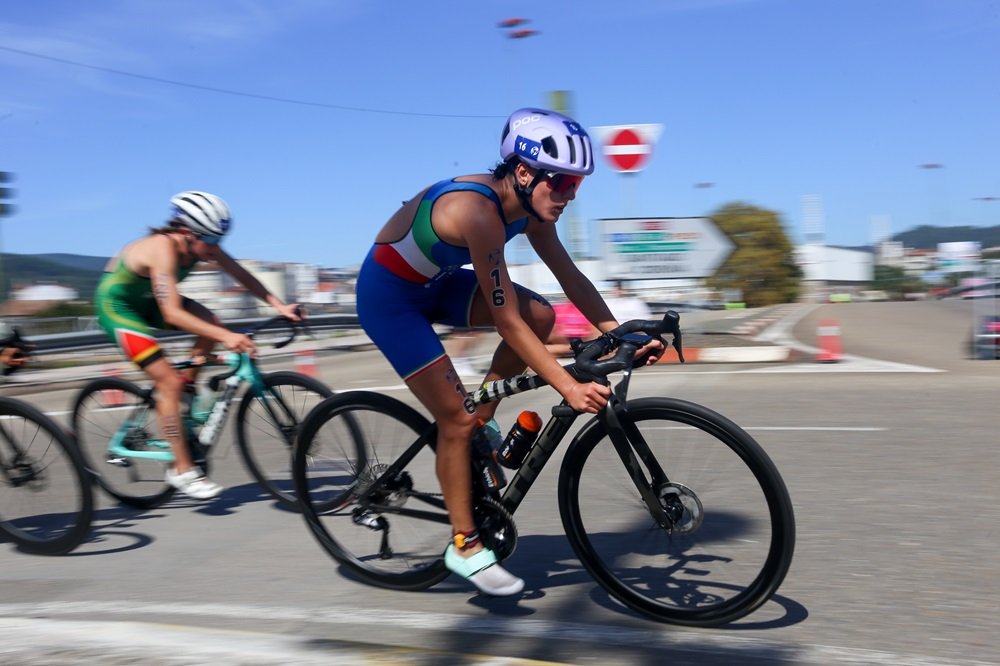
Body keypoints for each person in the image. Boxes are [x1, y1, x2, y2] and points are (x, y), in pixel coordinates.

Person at [355, 108, 664, 596]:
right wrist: (567, 384)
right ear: (524, 172)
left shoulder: (531, 209)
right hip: (389, 298)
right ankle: (464, 544)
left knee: (542, 315)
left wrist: (618, 330)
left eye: (577, 186)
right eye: (561, 183)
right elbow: (506, 322)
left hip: (434, 283)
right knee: (454, 421)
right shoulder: (478, 213)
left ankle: (484, 414)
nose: (570, 196)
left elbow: (569, 276)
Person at [94, 191, 301, 500]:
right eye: (212, 242)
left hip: (147, 302)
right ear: (188, 232)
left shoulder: (202, 244)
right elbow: (172, 312)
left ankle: (187, 392)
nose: (216, 249)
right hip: (118, 309)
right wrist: (228, 338)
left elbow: (242, 275)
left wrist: (279, 306)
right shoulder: (162, 248)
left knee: (210, 321)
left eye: (219, 241)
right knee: (168, 382)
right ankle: (181, 470)